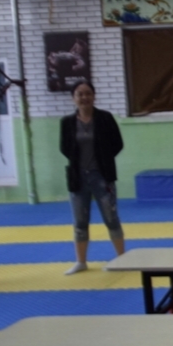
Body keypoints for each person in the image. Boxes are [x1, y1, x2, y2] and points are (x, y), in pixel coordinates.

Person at [59, 81, 125, 275]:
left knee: (111, 218)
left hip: (102, 176)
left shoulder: (105, 118)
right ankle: (81, 262)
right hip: (78, 177)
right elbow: (64, 148)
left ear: (94, 96)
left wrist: (103, 159)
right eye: (80, 94)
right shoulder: (67, 122)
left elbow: (117, 143)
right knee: (80, 222)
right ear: (73, 98)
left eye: (88, 93)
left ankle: (122, 258)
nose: (84, 97)